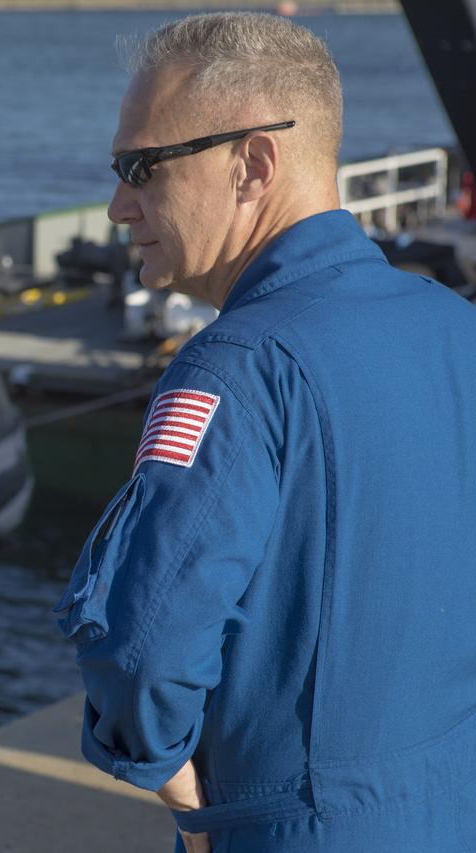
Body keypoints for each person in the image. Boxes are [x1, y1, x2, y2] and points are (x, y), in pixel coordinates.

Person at [55, 12, 476, 853]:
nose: (117, 205)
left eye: (141, 167)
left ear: (253, 163)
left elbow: (141, 650)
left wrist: (181, 788)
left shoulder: (235, 367)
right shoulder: (450, 325)